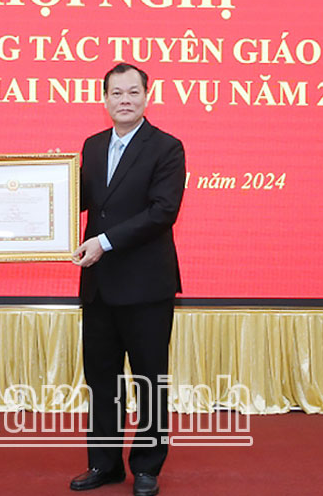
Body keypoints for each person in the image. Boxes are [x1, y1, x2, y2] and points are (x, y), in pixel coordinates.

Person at [70, 63, 186, 496]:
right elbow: (77, 200)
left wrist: (104, 242)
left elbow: (162, 211)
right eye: (116, 93)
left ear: (146, 97)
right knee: (102, 380)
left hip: (146, 286)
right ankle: (104, 464)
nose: (124, 100)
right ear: (104, 100)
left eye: (133, 92)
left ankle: (147, 466)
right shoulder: (93, 145)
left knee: (149, 380)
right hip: (99, 286)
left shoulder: (167, 147)